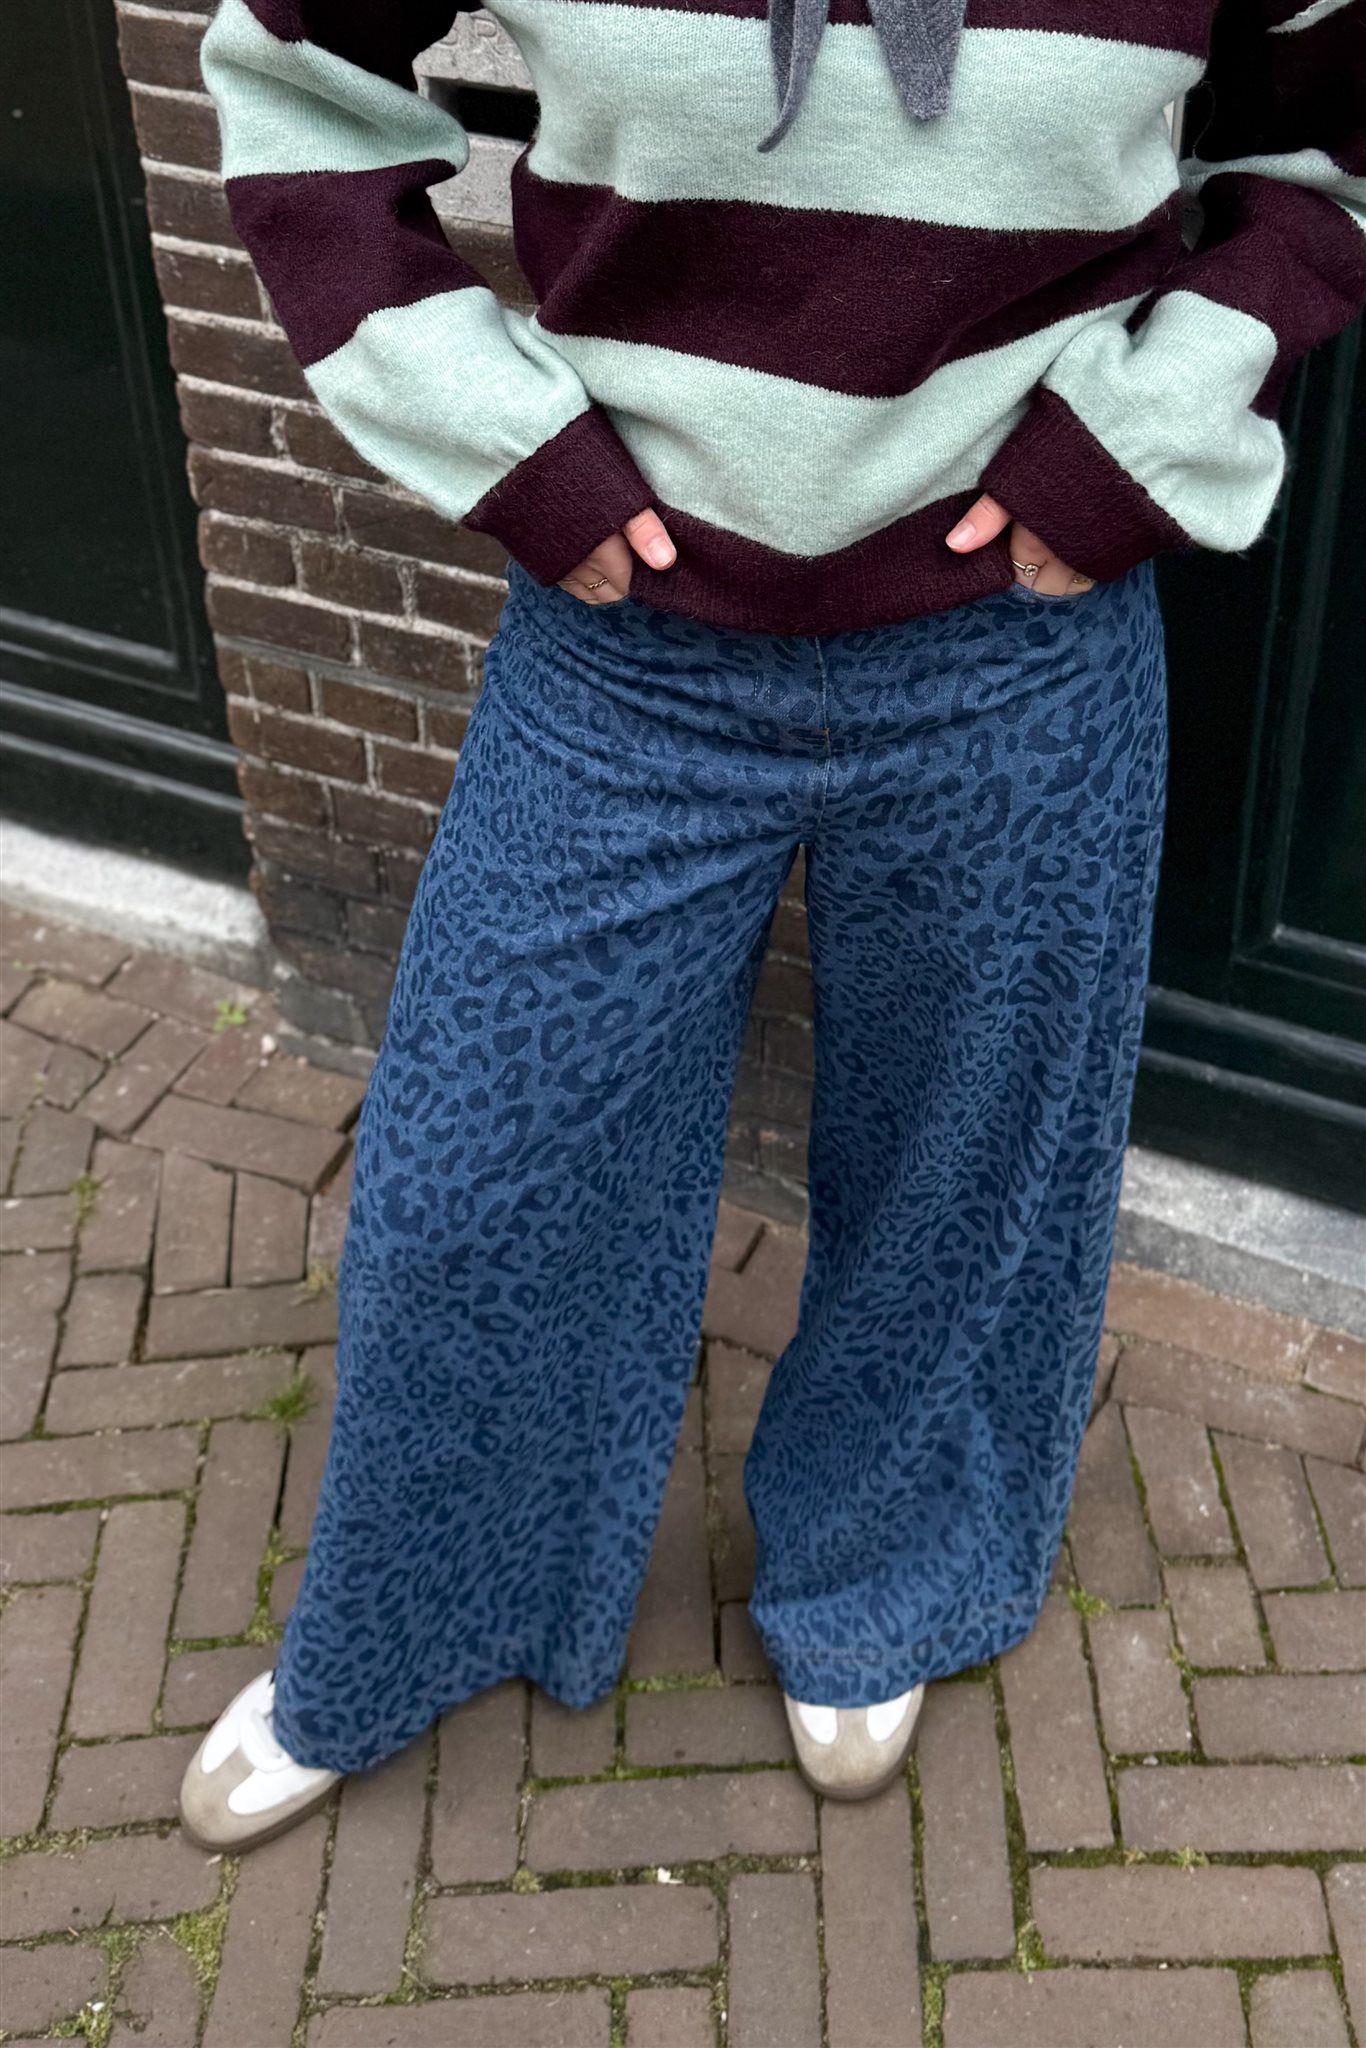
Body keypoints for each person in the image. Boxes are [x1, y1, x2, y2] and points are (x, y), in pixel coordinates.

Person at [179, 0, 1366, 1850]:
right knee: (477, 1174)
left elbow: (1317, 149)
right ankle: (412, 1613)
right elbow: (291, 87)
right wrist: (502, 440)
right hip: (624, 656)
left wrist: (1142, 435)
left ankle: (879, 1577)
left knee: (961, 1169)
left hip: (1016, 652)